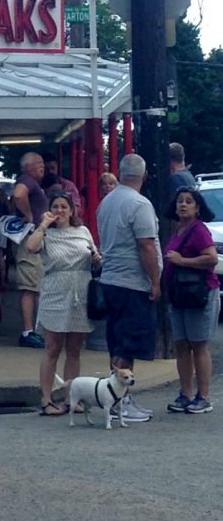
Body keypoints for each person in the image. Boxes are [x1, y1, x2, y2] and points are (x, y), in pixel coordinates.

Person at [96, 153, 162, 422]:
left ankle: (118, 397)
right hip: (133, 283)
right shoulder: (139, 204)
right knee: (129, 342)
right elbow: (146, 244)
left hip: (111, 279)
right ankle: (119, 401)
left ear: (120, 174)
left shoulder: (107, 202)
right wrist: (155, 280)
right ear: (144, 176)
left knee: (117, 340)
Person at [25, 191, 101, 416]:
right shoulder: (46, 234)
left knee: (75, 350)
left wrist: (97, 260)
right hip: (55, 291)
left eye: (64, 207)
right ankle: (46, 399)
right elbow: (30, 247)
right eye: (55, 207)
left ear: (71, 210)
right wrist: (43, 225)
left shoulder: (83, 231)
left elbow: (94, 258)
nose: (60, 211)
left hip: (80, 290)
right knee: (52, 349)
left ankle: (71, 398)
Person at [163, 188, 219, 414]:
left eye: (188, 202)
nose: (183, 205)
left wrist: (182, 260)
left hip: (200, 294)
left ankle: (203, 397)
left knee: (199, 345)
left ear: (198, 208)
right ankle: (185, 394)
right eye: (180, 201)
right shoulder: (177, 229)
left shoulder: (199, 230)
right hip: (179, 296)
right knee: (182, 345)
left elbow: (211, 258)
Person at [12, 151, 47, 349]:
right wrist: (28, 215)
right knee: (30, 285)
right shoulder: (27, 180)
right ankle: (28, 332)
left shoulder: (33, 183)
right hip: (30, 238)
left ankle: (34, 330)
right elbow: (18, 195)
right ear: (28, 167)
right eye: (38, 163)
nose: (42, 166)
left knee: (35, 284)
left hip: (34, 237)